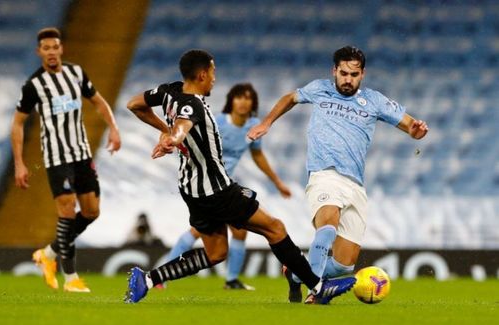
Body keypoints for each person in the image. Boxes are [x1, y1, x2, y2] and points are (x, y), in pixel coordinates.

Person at [123, 49, 355, 304]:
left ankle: (146, 280)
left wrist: (164, 130)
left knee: (215, 253)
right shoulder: (193, 106)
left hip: (192, 190)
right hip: (217, 191)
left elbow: (134, 104)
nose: (214, 78)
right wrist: (172, 137)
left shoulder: (168, 91)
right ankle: (318, 287)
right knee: (275, 228)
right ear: (202, 75)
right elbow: (182, 127)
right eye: (212, 73)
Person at [248, 46, 429, 304]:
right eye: (343, 73)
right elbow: (290, 97)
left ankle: (296, 275)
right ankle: (316, 292)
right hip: (325, 174)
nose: (347, 79)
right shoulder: (320, 88)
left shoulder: (374, 101)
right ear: (334, 71)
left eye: (354, 74)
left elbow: (411, 125)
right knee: (328, 226)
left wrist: (417, 130)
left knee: (344, 266)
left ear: (362, 74)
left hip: (355, 184)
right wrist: (266, 123)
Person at [11, 27, 121, 292]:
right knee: (67, 210)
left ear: (61, 49)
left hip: (82, 153)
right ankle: (71, 279)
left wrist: (114, 128)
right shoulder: (34, 85)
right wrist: (19, 162)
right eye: (45, 48)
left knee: (92, 211)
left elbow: (98, 101)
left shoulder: (76, 73)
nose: (51, 52)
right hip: (56, 157)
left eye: (55, 47)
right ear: (40, 52)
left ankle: (48, 253)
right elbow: (18, 123)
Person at [166, 83, 291, 291]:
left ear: (253, 103)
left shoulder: (253, 124)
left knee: (240, 232)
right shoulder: (217, 122)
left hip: (227, 187)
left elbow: (257, 155)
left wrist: (277, 182)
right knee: (198, 231)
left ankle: (231, 280)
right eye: (239, 97)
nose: (243, 102)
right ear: (231, 101)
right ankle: (165, 273)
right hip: (208, 187)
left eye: (248, 98)